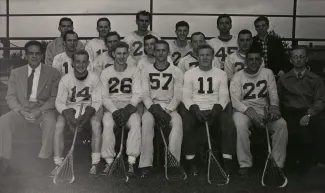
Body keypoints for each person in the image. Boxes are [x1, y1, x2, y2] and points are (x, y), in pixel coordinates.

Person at [0, 41, 60, 175]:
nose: (34, 56)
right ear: (26, 55)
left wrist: (39, 111)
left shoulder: (53, 72)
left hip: (43, 110)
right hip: (22, 110)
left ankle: (44, 159)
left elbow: (54, 98)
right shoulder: (16, 73)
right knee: (3, 120)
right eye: (31, 53)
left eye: (37, 53)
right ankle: (4, 160)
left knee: (51, 121)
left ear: (42, 55)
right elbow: (10, 97)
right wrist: (21, 111)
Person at [230, 44, 288, 176]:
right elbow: (235, 101)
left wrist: (273, 109)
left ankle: (278, 163)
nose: (254, 62)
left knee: (281, 124)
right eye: (251, 59)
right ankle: (245, 163)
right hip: (244, 109)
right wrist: (252, 114)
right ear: (246, 61)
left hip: (264, 108)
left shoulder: (267, 73)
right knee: (240, 124)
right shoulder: (238, 76)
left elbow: (273, 94)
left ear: (261, 60)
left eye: (257, 59)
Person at [182, 44, 235, 176]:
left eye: (208, 55)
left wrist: (215, 110)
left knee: (228, 124)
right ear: (197, 57)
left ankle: (227, 162)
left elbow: (224, 97)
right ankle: (191, 162)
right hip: (196, 109)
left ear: (213, 57)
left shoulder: (221, 74)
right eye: (202, 55)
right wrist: (196, 110)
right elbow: (186, 97)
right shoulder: (189, 74)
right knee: (187, 125)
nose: (205, 57)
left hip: (214, 110)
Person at [51, 50, 102, 176]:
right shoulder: (65, 79)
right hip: (71, 108)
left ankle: (95, 162)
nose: (81, 65)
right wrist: (68, 116)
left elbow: (97, 101)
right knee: (59, 125)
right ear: (72, 63)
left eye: (84, 61)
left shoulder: (94, 78)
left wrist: (86, 116)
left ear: (88, 63)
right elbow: (59, 102)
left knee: (96, 123)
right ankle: (58, 163)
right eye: (77, 62)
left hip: (88, 108)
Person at [278, 46, 325, 174]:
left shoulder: (315, 79)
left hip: (309, 111)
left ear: (307, 59)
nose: (298, 60)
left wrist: (309, 114)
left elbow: (320, 100)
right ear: (291, 60)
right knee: (290, 131)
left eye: (301, 56)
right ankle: (292, 163)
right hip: (290, 112)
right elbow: (279, 98)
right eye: (295, 57)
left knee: (319, 128)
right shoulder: (284, 79)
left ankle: (318, 162)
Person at [139, 40, 183, 178]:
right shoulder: (146, 71)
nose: (160, 53)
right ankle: (145, 164)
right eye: (157, 50)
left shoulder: (176, 71)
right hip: (152, 108)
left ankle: (173, 164)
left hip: (170, 108)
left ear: (168, 51)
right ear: (153, 52)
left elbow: (178, 96)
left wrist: (168, 111)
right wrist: (154, 110)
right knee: (146, 122)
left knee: (177, 123)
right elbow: (145, 95)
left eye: (163, 50)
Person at [100, 42, 142, 176]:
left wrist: (127, 110)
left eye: (124, 53)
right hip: (112, 107)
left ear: (128, 54)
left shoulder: (134, 70)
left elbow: (137, 94)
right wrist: (115, 111)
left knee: (135, 123)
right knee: (107, 124)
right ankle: (109, 160)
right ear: (113, 54)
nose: (122, 56)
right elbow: (104, 97)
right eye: (119, 53)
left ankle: (131, 161)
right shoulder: (106, 72)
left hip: (129, 107)